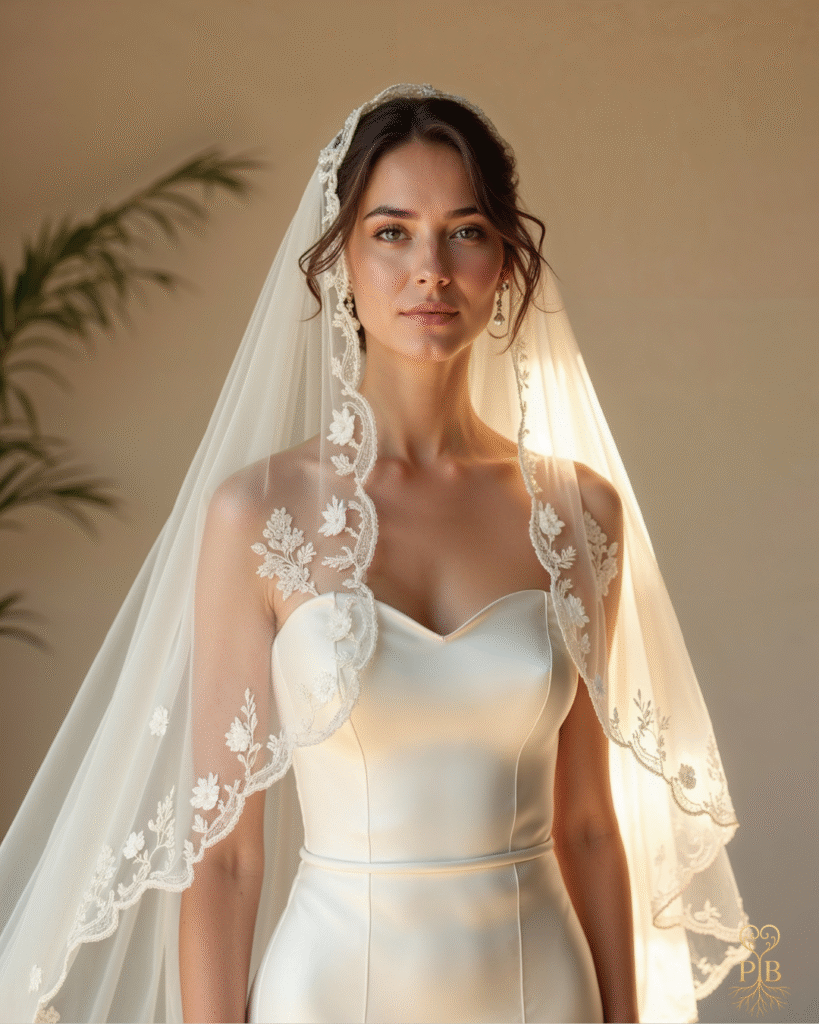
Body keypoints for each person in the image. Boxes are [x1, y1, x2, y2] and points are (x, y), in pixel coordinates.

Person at [0, 85, 749, 1024]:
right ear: (340, 261)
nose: (429, 270)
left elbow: (591, 827)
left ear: (504, 261)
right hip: (328, 996)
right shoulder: (256, 516)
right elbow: (224, 859)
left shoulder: (579, 512)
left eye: (464, 232)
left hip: (540, 990)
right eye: (391, 232)